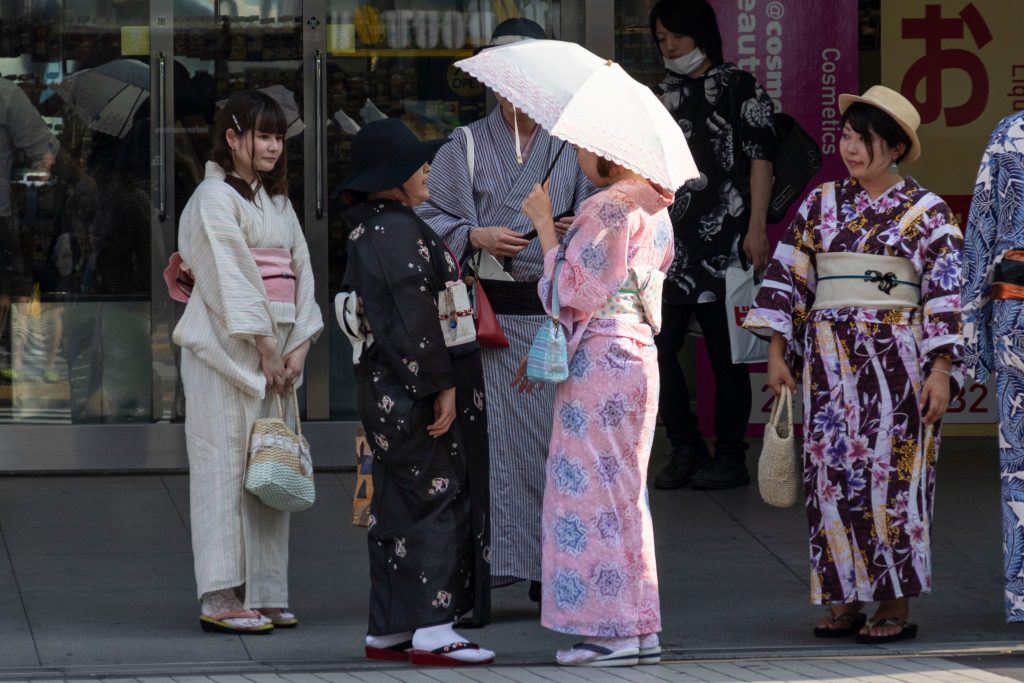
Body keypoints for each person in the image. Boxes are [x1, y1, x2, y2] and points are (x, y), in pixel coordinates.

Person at [743, 86, 963, 643]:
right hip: (828, 364)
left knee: (896, 481)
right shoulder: (820, 203)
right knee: (832, 479)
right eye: (846, 137)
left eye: (865, 140)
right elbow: (789, 279)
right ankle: (841, 598)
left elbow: (946, 295)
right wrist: (776, 353)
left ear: (893, 148)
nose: (852, 149)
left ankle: (893, 602)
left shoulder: (928, 212)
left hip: (900, 369)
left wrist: (941, 369)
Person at [417, 18, 594, 605]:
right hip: (488, 322)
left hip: (553, 322)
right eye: (502, 76)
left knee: (556, 447)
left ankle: (554, 570)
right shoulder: (463, 144)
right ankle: (491, 568)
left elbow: (602, 225)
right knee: (492, 451)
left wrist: (566, 231)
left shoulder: (573, 148)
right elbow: (425, 222)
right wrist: (473, 236)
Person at [340, 118, 493, 666]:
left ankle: (389, 628)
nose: (427, 169)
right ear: (393, 178)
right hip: (411, 388)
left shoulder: (376, 227)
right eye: (418, 164)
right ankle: (433, 626)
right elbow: (413, 318)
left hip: (390, 385)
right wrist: (441, 386)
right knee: (438, 496)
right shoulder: (395, 230)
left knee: (398, 501)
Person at [172, 90, 323, 634]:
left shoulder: (278, 204)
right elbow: (230, 277)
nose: (272, 147)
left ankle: (264, 591)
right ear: (231, 138)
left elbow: (303, 272)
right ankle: (219, 594)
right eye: (261, 135)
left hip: (279, 351)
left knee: (268, 466)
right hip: (227, 350)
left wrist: (297, 347)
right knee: (222, 465)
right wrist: (265, 345)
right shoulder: (213, 199)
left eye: (279, 137)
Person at [518, 150, 674, 666]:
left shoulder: (608, 207)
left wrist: (544, 226)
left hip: (601, 358)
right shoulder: (656, 206)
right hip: (638, 353)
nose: (580, 153)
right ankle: (640, 624)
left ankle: (608, 631)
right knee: (625, 489)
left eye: (586, 146)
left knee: (590, 490)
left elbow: (572, 289)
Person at [649, 0, 776, 491]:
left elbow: (762, 158)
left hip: (729, 240)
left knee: (727, 357)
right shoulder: (661, 94)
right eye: (660, 39)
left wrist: (758, 226)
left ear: (699, 31)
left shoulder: (739, 87)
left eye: (675, 35)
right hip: (670, 246)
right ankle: (684, 446)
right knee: (659, 346)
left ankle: (730, 455)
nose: (669, 46)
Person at [962, 110, 1024, 623]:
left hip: (1017, 318)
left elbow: (981, 233)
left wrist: (971, 342)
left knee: (1021, 467)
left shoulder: (1011, 133)